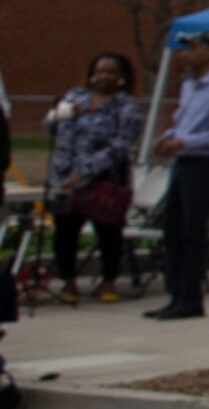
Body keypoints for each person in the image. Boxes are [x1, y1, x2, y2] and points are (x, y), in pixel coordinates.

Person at [146, 30, 209, 321]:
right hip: (182, 163)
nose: (185, 54)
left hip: (205, 165)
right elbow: (184, 122)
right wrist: (167, 138)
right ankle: (175, 294)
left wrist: (187, 143)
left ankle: (191, 298)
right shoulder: (190, 86)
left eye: (192, 48)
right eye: (183, 49)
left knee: (192, 232)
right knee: (172, 229)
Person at [44, 52, 141, 303]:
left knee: (108, 232)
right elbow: (50, 128)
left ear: (121, 77)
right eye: (100, 71)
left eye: (111, 72)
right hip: (64, 177)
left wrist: (86, 171)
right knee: (65, 232)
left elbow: (120, 146)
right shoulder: (76, 97)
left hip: (104, 179)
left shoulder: (126, 107)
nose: (104, 76)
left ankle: (108, 282)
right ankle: (69, 283)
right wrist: (59, 114)